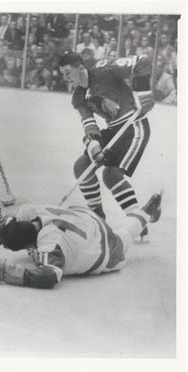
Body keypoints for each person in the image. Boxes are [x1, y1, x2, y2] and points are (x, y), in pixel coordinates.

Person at [0, 193, 162, 289]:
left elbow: (50, 277)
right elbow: (10, 227)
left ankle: (144, 215)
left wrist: (6, 272)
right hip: (86, 218)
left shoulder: (51, 243)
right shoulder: (30, 212)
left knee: (123, 237)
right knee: (123, 231)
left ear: (29, 246)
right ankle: (145, 213)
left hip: (105, 249)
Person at [58, 52, 155, 237]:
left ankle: (138, 223)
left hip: (134, 127)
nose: (66, 78)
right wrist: (94, 148)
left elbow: (142, 60)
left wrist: (143, 92)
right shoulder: (78, 96)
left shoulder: (104, 69)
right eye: (63, 74)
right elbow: (89, 123)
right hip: (113, 130)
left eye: (68, 73)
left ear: (80, 68)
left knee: (111, 175)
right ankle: (97, 217)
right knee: (81, 166)